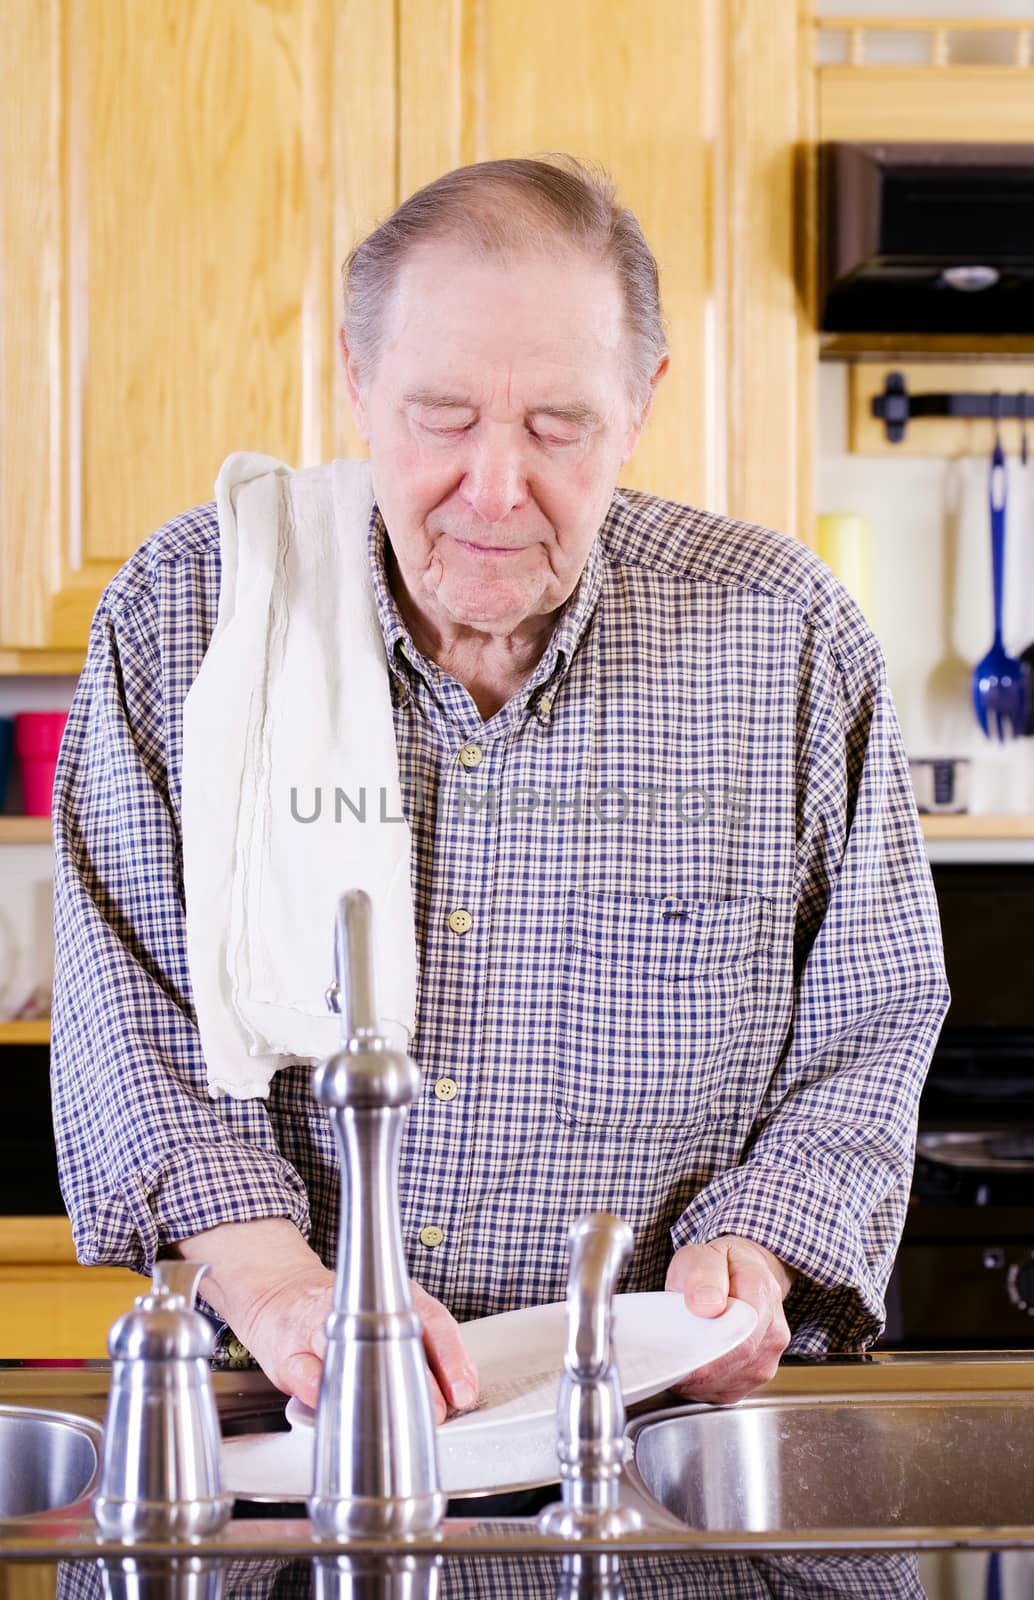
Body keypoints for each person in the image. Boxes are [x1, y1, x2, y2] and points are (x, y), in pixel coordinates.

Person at [50, 156, 949, 1427]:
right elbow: (125, 1011)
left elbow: (872, 1015)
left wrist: (755, 1253)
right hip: (289, 1404)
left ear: (640, 405)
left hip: (655, 1412)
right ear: (359, 383)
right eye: (443, 415)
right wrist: (283, 1286)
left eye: (555, 426)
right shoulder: (191, 613)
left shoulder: (783, 633)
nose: (492, 489)